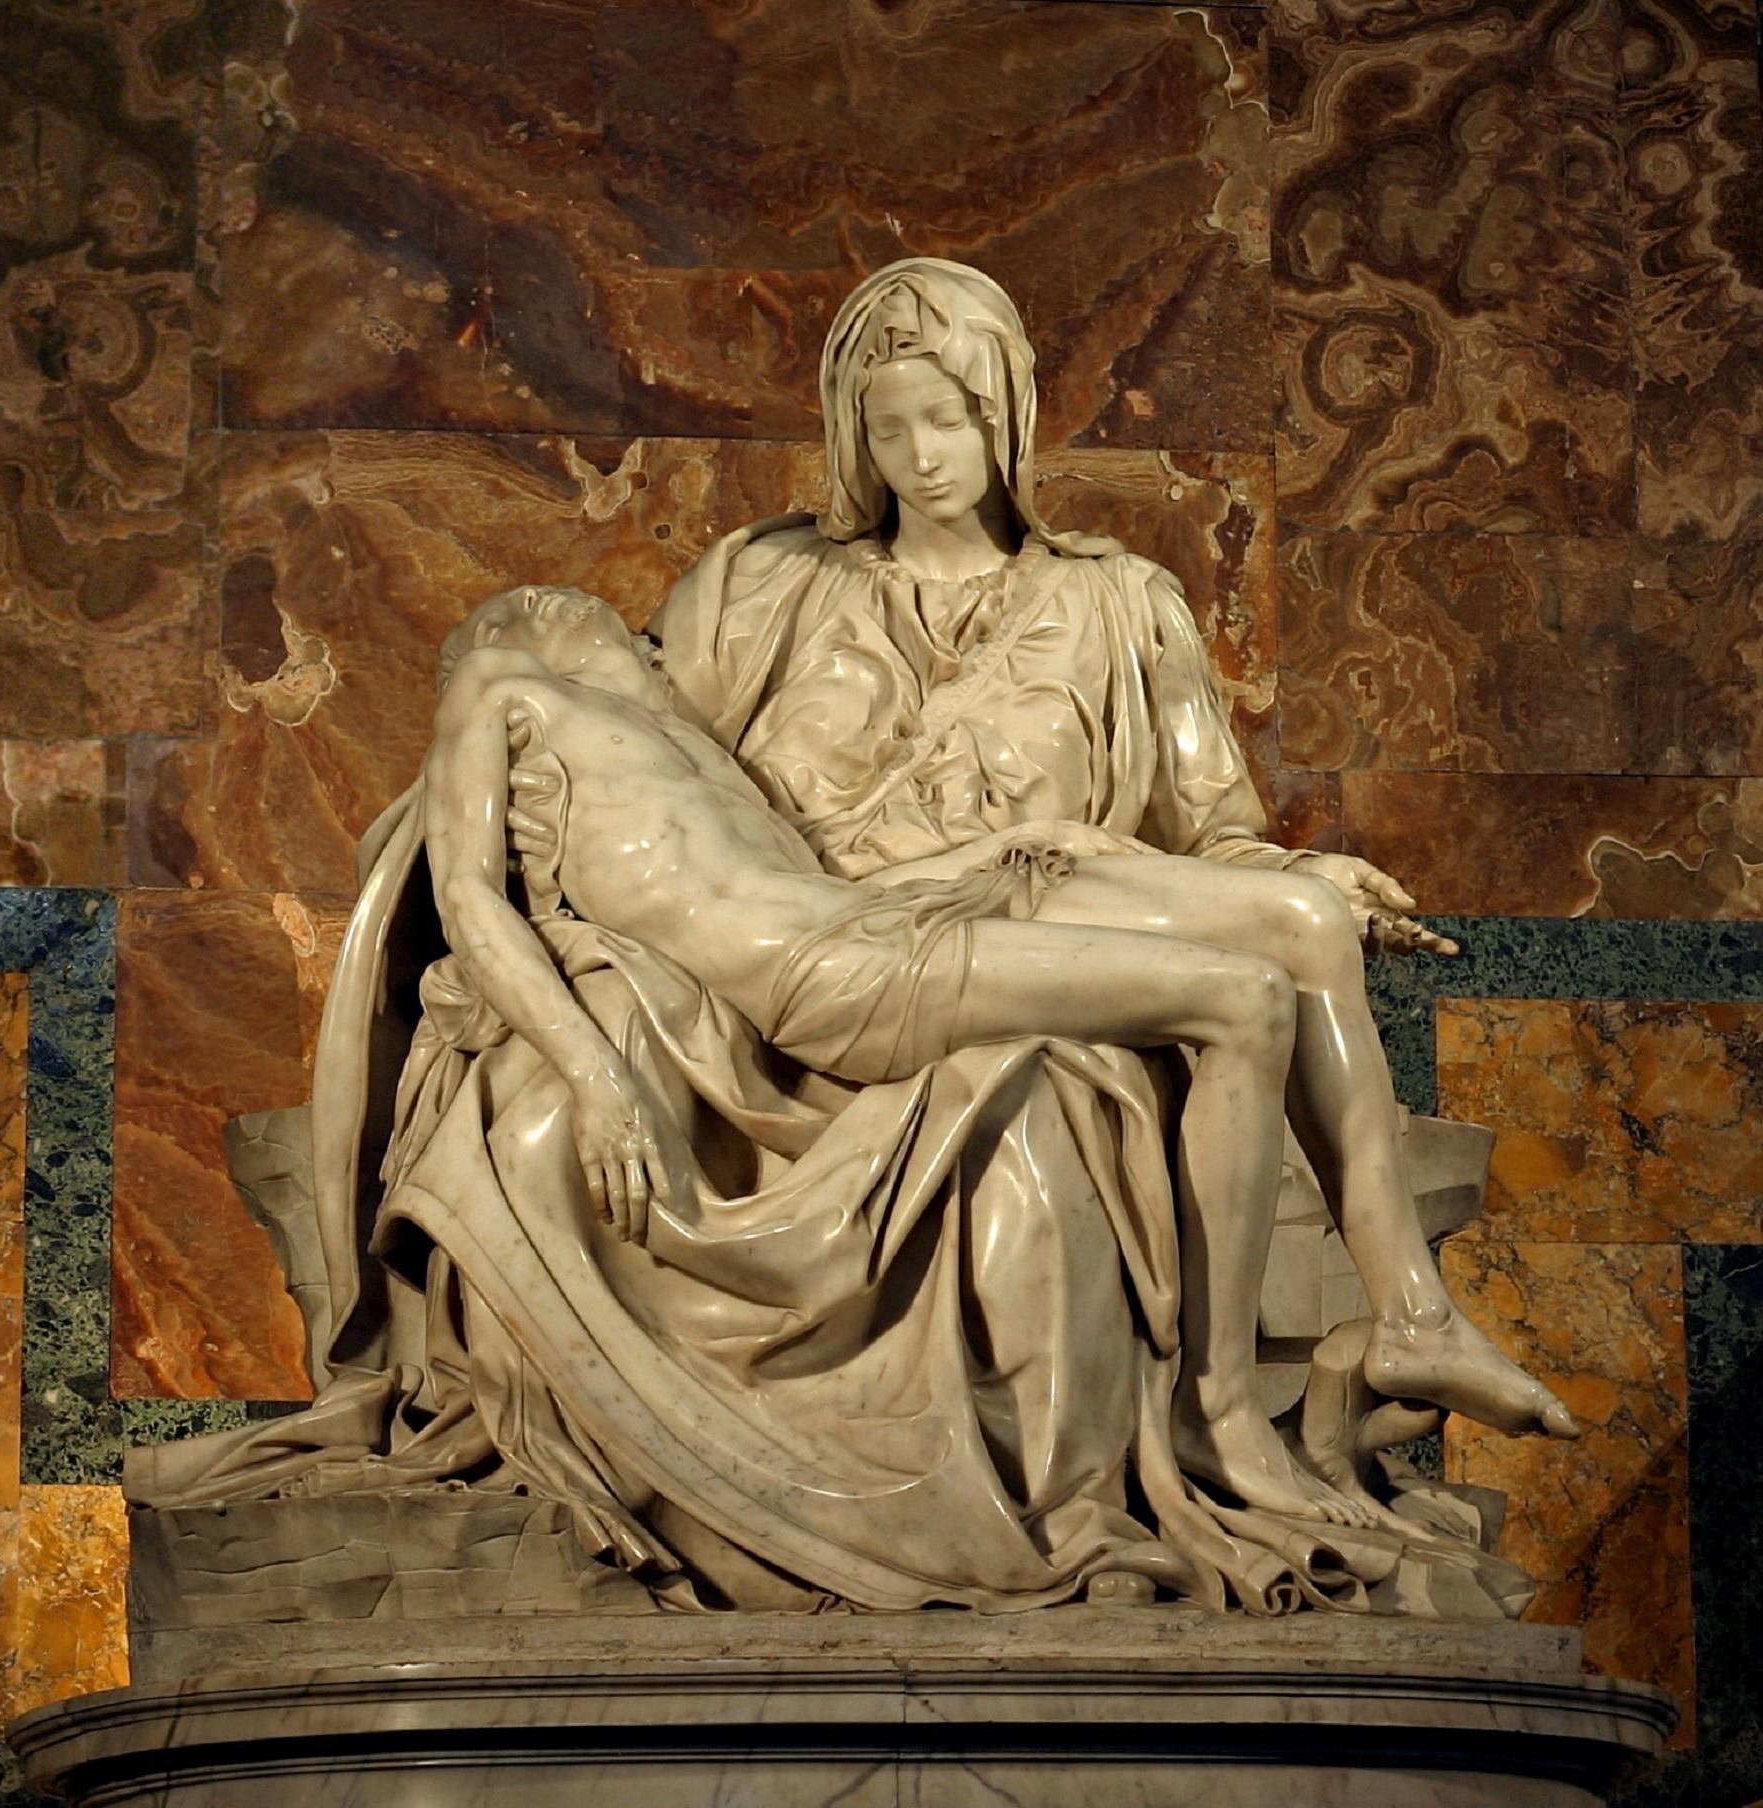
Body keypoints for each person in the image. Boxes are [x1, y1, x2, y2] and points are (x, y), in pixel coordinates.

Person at [650, 258, 1574, 1513]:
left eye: (952, 417)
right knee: (1248, 969)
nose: (923, 455)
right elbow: (634, 769)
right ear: (851, 437)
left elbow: (1211, 834)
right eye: (889, 425)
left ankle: (1411, 1313)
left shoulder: (1118, 602)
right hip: (851, 933)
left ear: (1006, 418)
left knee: (1299, 916)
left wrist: (1300, 867)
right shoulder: (763, 590)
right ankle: (1252, 1391)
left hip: (1044, 898)